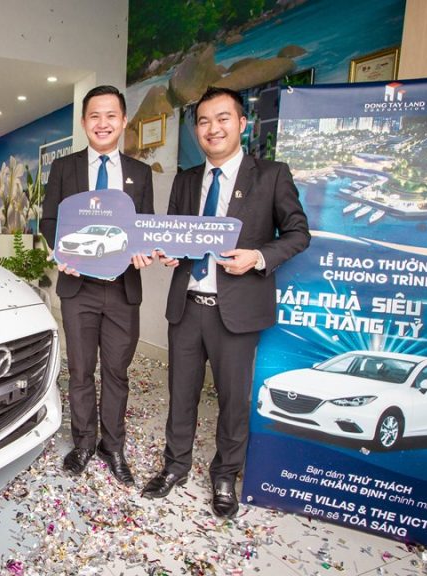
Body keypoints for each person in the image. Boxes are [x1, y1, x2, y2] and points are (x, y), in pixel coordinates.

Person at [141, 86, 310, 517]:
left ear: (242, 123)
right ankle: (175, 466)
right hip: (186, 306)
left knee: (233, 400)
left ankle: (225, 475)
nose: (212, 128)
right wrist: (168, 252)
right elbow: (174, 235)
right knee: (181, 393)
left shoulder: (271, 175)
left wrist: (258, 257)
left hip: (237, 311)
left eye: (222, 119)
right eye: (203, 121)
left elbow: (298, 234)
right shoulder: (186, 179)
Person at [40, 85, 155, 486]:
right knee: (81, 371)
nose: (102, 123)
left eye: (111, 116)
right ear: (84, 121)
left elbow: (144, 226)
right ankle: (84, 442)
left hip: (124, 289)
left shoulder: (140, 173)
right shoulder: (64, 168)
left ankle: (113, 446)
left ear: (123, 121)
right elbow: (49, 221)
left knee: (117, 373)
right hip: (79, 289)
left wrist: (144, 250)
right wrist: (61, 252)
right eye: (94, 116)